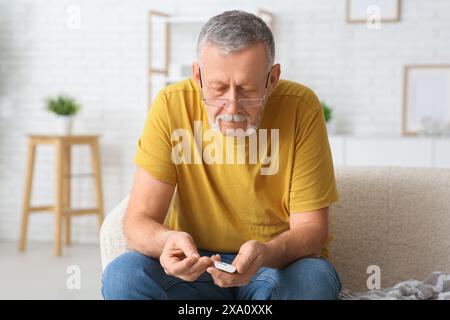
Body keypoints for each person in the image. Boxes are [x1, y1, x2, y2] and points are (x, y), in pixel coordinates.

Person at [102, 10, 341, 300]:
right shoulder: (170, 105)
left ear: (272, 79)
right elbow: (138, 221)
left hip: (273, 267)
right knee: (124, 275)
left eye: (247, 89)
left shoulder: (301, 107)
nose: (232, 107)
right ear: (197, 77)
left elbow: (312, 232)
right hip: (196, 269)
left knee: (313, 280)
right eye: (217, 89)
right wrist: (168, 242)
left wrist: (266, 253)